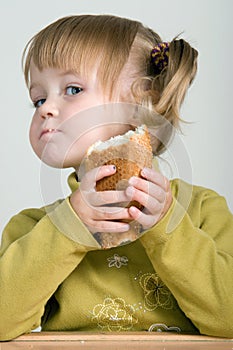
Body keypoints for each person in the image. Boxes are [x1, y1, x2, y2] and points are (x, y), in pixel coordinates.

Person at [0, 14, 232, 341]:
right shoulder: (33, 229)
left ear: (142, 104)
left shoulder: (202, 211)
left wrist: (167, 227)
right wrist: (69, 227)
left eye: (72, 89)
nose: (45, 108)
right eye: (39, 98)